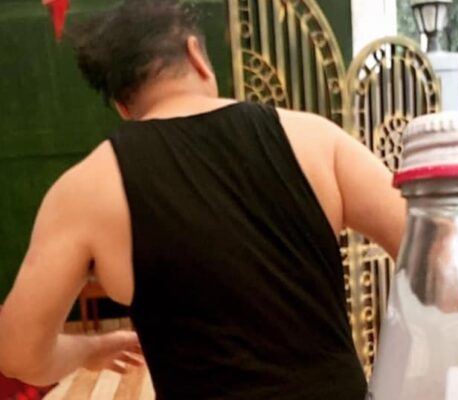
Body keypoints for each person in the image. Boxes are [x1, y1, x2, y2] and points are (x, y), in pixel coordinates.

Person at [0, 0, 405, 398]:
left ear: (122, 105)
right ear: (196, 55)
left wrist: (89, 350)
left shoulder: (86, 190)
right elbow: (431, 256)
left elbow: (19, 354)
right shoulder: (318, 140)